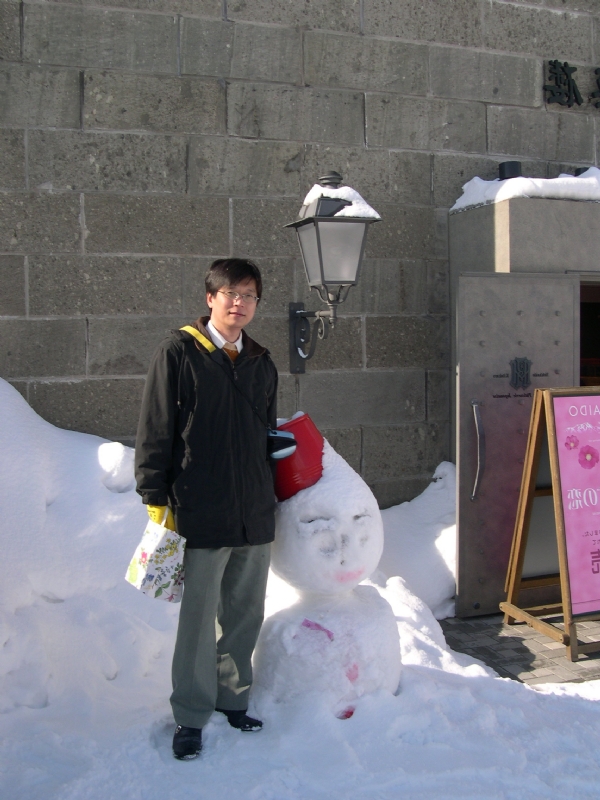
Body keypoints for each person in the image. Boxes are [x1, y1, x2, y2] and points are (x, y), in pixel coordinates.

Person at [134, 258, 278, 760]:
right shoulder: (179, 352)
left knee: (245, 611)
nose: (239, 303)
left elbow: (267, 432)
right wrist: (154, 495)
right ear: (210, 298)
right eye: (230, 293)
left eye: (249, 295)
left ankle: (232, 698)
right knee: (198, 619)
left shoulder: (261, 360)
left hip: (254, 509)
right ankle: (191, 714)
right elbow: (155, 427)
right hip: (199, 506)